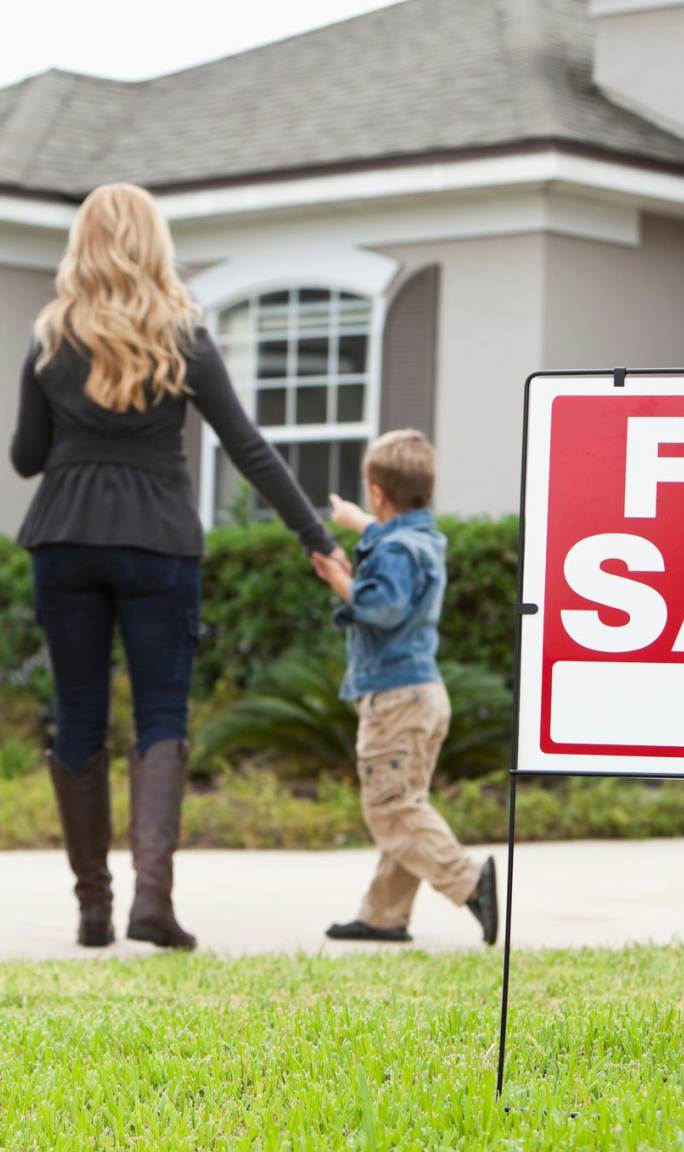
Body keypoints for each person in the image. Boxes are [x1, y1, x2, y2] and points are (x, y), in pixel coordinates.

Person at [9, 183, 345, 951]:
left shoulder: (50, 337)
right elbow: (247, 445)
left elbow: (26, 458)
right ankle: (150, 902)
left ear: (83, 245)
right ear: (154, 243)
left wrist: (75, 436)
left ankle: (93, 908)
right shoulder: (182, 336)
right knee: (162, 715)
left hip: (63, 536)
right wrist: (317, 539)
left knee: (79, 714)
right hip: (158, 539)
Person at [310, 430, 499, 946]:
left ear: (377, 491)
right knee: (405, 800)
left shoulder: (395, 549)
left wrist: (337, 578)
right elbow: (393, 546)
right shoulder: (422, 539)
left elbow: (381, 607)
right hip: (421, 694)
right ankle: (383, 916)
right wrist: (362, 523)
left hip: (395, 696)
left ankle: (469, 882)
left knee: (390, 807)